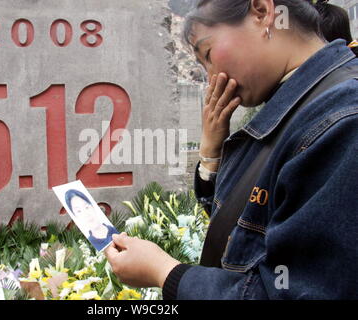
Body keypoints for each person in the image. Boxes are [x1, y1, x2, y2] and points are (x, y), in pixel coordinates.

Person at [105, 0, 358, 299]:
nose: (212, 77)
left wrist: (165, 272)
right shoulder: (298, 106)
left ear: (262, 12)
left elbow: (288, 291)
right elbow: (248, 230)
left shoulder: (340, 120)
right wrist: (211, 155)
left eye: (208, 54)